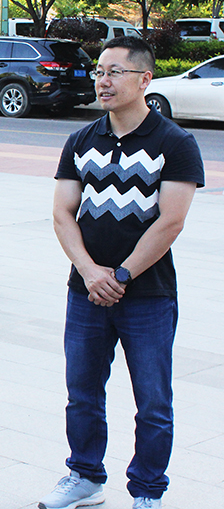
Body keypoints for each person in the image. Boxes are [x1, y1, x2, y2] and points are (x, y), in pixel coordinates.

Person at [40, 36, 203, 509]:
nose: (103, 81)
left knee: (152, 402)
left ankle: (148, 491)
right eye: (99, 72)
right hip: (86, 292)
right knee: (82, 393)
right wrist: (90, 272)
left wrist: (122, 276)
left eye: (115, 72)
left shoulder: (174, 142)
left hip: (148, 295)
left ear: (144, 79)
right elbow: (62, 213)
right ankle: (84, 475)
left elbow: (170, 221)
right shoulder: (81, 140)